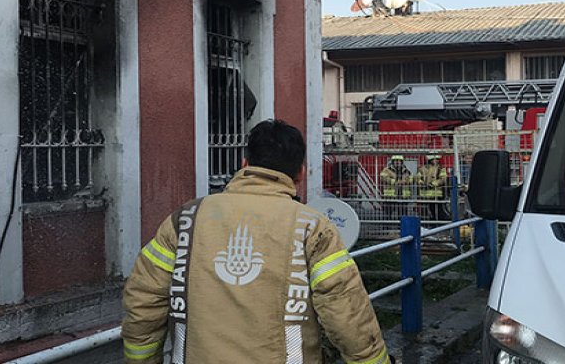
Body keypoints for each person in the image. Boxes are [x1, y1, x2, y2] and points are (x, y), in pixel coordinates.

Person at [122, 119, 392, 364]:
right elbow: (346, 313)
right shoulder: (313, 228)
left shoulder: (185, 219)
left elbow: (144, 299)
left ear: (244, 164)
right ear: (300, 173)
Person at [416, 154, 449, 220]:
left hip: (436, 194)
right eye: (435, 159)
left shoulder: (441, 168)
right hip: (425, 194)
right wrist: (421, 183)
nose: (436, 161)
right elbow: (417, 177)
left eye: (437, 159)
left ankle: (440, 223)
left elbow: (443, 179)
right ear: (430, 160)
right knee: (426, 212)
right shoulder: (422, 168)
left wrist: (433, 184)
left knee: (438, 210)